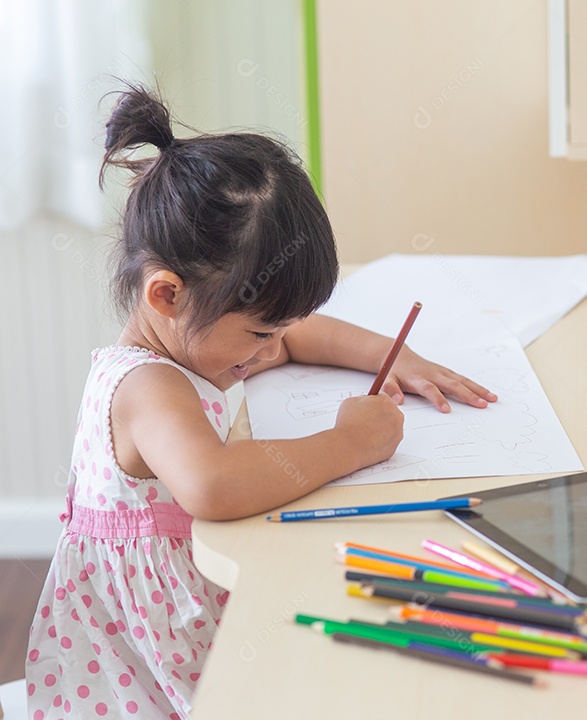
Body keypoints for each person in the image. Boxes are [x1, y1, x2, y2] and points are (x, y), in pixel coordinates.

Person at [25, 85, 497, 719]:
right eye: (259, 333)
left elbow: (295, 331)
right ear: (166, 295)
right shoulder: (148, 387)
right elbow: (212, 485)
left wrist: (393, 354)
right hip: (146, 656)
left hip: (190, 594)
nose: (273, 348)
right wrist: (351, 442)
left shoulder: (201, 333)